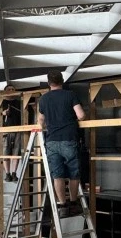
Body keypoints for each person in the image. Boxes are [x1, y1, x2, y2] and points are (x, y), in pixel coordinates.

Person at [37, 70, 86, 213]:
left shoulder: (43, 99)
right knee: (73, 174)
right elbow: (81, 115)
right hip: (69, 138)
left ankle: (62, 205)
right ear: (62, 81)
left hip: (51, 140)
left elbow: (40, 120)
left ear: (49, 83)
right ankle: (73, 202)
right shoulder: (70, 95)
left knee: (57, 175)